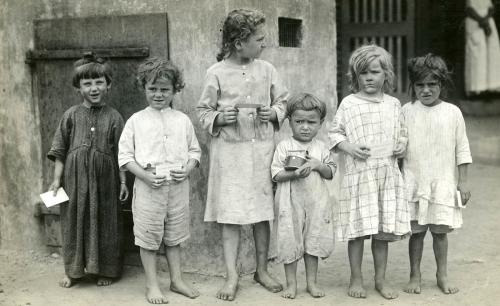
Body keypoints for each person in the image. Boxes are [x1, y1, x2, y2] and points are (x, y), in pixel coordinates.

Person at [197, 8, 288, 301]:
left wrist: (273, 112)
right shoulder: (216, 73)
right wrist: (219, 119)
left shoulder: (267, 70)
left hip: (261, 150)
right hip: (229, 154)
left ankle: (261, 269)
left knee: (262, 212)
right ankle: (232, 275)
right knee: (231, 214)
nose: (263, 44)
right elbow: (203, 111)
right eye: (259, 39)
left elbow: (283, 102)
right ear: (238, 43)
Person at [328, 44, 411, 300]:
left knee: (382, 231)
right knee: (358, 230)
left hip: (386, 174)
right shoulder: (349, 104)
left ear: (386, 73)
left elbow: (403, 133)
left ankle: (380, 279)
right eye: (363, 73)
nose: (369, 78)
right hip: (360, 176)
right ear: (355, 76)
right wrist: (350, 147)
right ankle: (356, 277)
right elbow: (334, 133)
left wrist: (401, 145)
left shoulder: (394, 104)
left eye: (374, 72)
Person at [118, 57, 201, 304]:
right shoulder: (136, 121)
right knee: (149, 236)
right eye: (152, 89)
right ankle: (152, 285)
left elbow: (195, 152)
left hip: (177, 187)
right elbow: (125, 157)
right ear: (144, 88)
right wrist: (143, 176)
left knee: (174, 235)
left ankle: (176, 280)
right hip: (148, 188)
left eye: (164, 89)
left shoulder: (182, 120)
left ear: (175, 90)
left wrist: (187, 169)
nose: (158, 94)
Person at [47, 52, 129, 288]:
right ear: (78, 88)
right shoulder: (70, 115)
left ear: (108, 85)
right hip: (74, 182)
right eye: (87, 83)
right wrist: (56, 180)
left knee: (106, 221)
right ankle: (72, 271)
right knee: (73, 222)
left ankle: (106, 270)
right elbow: (59, 150)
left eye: (99, 82)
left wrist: (123, 182)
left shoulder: (114, 117)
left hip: (106, 182)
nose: (94, 88)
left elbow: (122, 154)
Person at [402, 54, 472, 295]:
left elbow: (461, 148)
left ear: (441, 84)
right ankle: (415, 274)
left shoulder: (452, 112)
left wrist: (463, 181)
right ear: (413, 86)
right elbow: (399, 146)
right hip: (414, 181)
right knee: (417, 233)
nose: (426, 90)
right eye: (420, 85)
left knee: (440, 233)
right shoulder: (406, 111)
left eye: (432, 84)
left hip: (442, 181)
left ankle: (442, 274)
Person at [270, 93, 336, 299]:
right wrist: (293, 173)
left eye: (311, 122)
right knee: (290, 238)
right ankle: (291, 284)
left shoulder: (321, 148)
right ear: (290, 121)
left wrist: (318, 165)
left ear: (320, 123)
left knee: (313, 239)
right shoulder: (284, 146)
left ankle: (312, 283)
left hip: (316, 201)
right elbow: (276, 174)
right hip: (289, 202)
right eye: (299, 121)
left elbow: (331, 172)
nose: (305, 127)